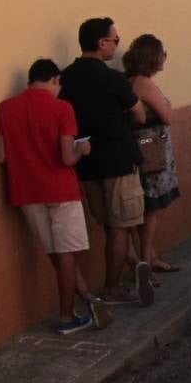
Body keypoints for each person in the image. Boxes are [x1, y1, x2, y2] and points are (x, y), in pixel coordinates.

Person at [0, 59, 111, 334]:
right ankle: (66, 316)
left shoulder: (6, 108)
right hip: (60, 189)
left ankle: (88, 299)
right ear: (55, 80)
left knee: (56, 254)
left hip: (25, 191)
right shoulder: (62, 108)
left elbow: (0, 156)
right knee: (67, 253)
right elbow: (66, 157)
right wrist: (83, 149)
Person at [59, 17, 152, 306]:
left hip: (86, 163)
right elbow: (139, 114)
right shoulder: (111, 78)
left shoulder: (66, 78)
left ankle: (135, 265)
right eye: (115, 40)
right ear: (101, 44)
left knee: (108, 224)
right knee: (120, 227)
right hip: (119, 160)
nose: (117, 45)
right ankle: (112, 286)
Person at [124, 34, 182, 281]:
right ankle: (146, 260)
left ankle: (151, 256)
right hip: (152, 151)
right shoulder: (143, 83)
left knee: (152, 207)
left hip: (151, 149)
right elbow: (166, 115)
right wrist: (168, 107)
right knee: (154, 207)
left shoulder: (133, 81)